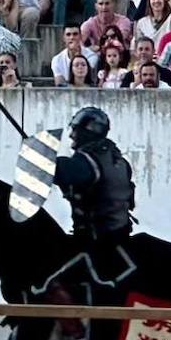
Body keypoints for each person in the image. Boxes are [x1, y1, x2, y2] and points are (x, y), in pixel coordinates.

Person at [52, 106, 135, 257]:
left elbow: (62, 171)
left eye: (76, 130)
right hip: (121, 235)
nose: (72, 135)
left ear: (87, 132)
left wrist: (39, 157)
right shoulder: (119, 160)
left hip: (96, 243)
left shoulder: (86, 161)